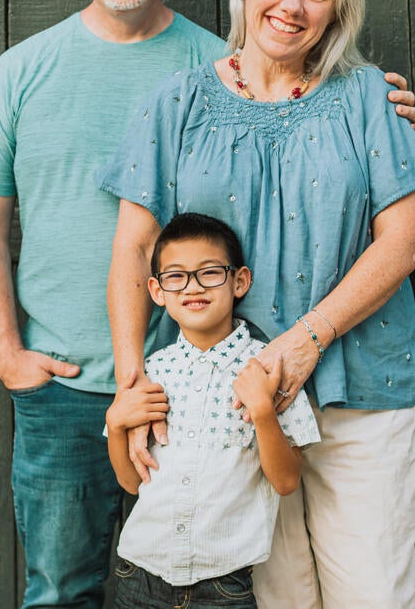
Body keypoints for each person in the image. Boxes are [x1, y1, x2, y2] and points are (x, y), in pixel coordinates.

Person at [0, 0, 415, 608]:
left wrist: (372, 104)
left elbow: (382, 206)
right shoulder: (38, 73)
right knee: (69, 585)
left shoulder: (282, 78)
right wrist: (20, 358)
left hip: (249, 385)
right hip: (108, 386)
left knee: (283, 588)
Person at [101, 0, 415, 609]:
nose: (291, 4)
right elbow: (134, 246)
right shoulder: (176, 103)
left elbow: (403, 241)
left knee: (372, 594)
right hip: (224, 406)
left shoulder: (366, 99)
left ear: (335, 9)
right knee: (276, 597)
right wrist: (132, 386)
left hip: (359, 392)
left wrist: (302, 341)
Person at [106, 213, 320, 609]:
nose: (193, 287)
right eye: (176, 276)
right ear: (156, 289)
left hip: (223, 587)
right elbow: (131, 483)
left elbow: (287, 481)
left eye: (209, 273)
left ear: (239, 281)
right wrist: (116, 425)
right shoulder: (154, 370)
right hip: (139, 578)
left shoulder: (268, 368)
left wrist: (262, 411)